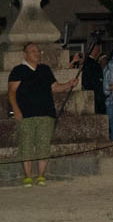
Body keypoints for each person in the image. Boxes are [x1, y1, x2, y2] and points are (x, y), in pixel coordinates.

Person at [7, 43, 78, 187]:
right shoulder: (18, 70)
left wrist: (69, 84)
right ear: (25, 54)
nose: (36, 53)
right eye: (33, 51)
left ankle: (41, 176)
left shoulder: (45, 69)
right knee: (26, 145)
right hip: (25, 114)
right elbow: (11, 92)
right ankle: (27, 176)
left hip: (46, 113)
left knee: (43, 146)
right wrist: (16, 111)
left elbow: (55, 87)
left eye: (38, 51)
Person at [81, 42, 105, 115]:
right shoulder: (93, 64)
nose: (99, 52)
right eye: (98, 50)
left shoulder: (87, 62)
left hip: (92, 94)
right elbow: (94, 81)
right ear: (94, 50)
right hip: (95, 96)